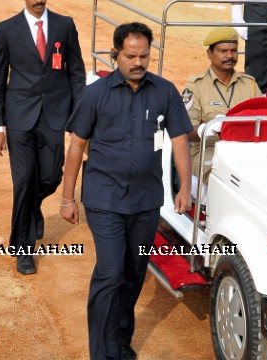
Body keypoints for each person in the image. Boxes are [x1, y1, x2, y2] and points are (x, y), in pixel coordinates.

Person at [60, 22, 193, 360]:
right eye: (130, 56)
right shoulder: (95, 94)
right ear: (115, 54)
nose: (138, 62)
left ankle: (119, 342)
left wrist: (185, 188)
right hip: (104, 199)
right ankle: (100, 353)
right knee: (110, 272)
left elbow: (179, 140)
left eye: (144, 56)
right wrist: (67, 197)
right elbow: (77, 145)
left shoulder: (165, 92)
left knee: (133, 273)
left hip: (146, 201)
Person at [0, 0, 86, 275]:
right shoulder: (6, 29)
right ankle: (23, 249)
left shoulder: (64, 25)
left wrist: (79, 114)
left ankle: (32, 210)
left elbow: (76, 72)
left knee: (50, 177)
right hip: (19, 116)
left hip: (54, 116)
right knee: (24, 180)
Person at [182, 28, 262, 179]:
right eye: (223, 51)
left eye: (233, 51)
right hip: (208, 149)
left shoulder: (249, 84)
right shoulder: (195, 86)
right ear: (209, 53)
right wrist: (206, 129)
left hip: (244, 148)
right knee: (229, 175)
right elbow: (185, 131)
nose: (229, 56)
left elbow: (263, 121)